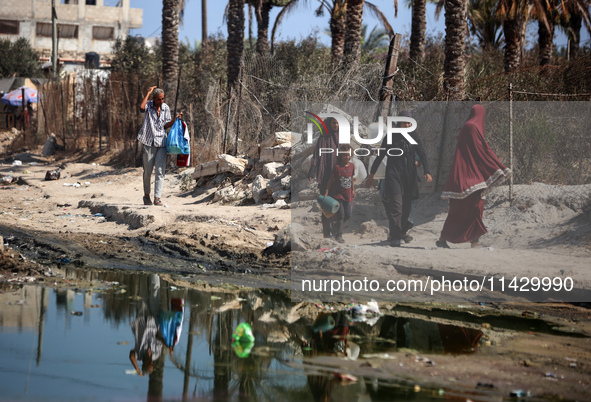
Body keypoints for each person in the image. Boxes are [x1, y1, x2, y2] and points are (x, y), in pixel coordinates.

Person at [437, 104, 511, 249]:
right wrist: (498, 166)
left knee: (474, 208)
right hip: (468, 176)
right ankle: (445, 238)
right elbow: (482, 151)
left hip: (469, 175)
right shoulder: (472, 128)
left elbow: (478, 151)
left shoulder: (469, 127)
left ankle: (474, 240)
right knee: (464, 209)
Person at [366, 111, 433, 247]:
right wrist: (371, 175)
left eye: (409, 123)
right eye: (404, 123)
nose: (407, 125)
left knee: (407, 207)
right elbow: (380, 155)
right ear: (399, 123)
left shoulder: (414, 135)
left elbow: (423, 154)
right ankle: (395, 236)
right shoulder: (391, 135)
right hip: (393, 174)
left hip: (409, 176)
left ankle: (401, 232)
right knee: (396, 206)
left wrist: (427, 171)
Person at [137, 86, 182, 206]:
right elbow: (141, 107)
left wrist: (175, 120)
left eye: (162, 99)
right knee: (147, 171)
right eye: (158, 99)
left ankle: (157, 198)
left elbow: (165, 125)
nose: (161, 101)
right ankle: (146, 196)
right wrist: (148, 92)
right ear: (154, 99)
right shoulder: (149, 105)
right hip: (148, 142)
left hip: (161, 142)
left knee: (160, 171)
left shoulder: (166, 108)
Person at [308, 117, 339, 237]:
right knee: (326, 205)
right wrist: (312, 171)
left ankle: (337, 231)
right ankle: (326, 233)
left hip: (338, 177)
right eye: (333, 122)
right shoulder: (323, 138)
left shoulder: (342, 137)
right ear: (328, 124)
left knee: (338, 205)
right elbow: (316, 155)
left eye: (337, 123)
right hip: (325, 176)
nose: (335, 125)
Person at [324, 144, 355, 243]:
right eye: (345, 155)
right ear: (341, 156)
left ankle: (336, 226)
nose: (347, 157)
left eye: (349, 155)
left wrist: (353, 190)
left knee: (348, 215)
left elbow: (351, 179)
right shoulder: (337, 167)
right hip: (338, 195)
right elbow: (330, 180)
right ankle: (339, 235)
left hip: (348, 194)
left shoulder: (352, 166)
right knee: (341, 214)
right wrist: (327, 191)